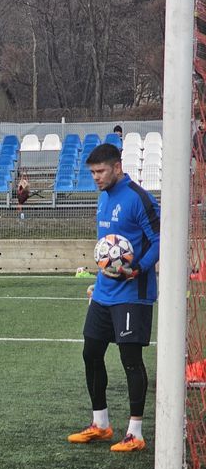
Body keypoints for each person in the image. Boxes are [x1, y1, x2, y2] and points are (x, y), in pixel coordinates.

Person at [68, 142, 160, 452]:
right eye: (92, 172)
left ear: (117, 167)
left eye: (100, 171)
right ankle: (101, 424)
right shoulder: (103, 198)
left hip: (134, 293)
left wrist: (139, 268)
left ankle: (135, 433)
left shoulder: (138, 198)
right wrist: (98, 281)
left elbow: (161, 237)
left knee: (130, 360)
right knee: (90, 354)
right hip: (105, 293)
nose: (96, 177)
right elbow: (107, 248)